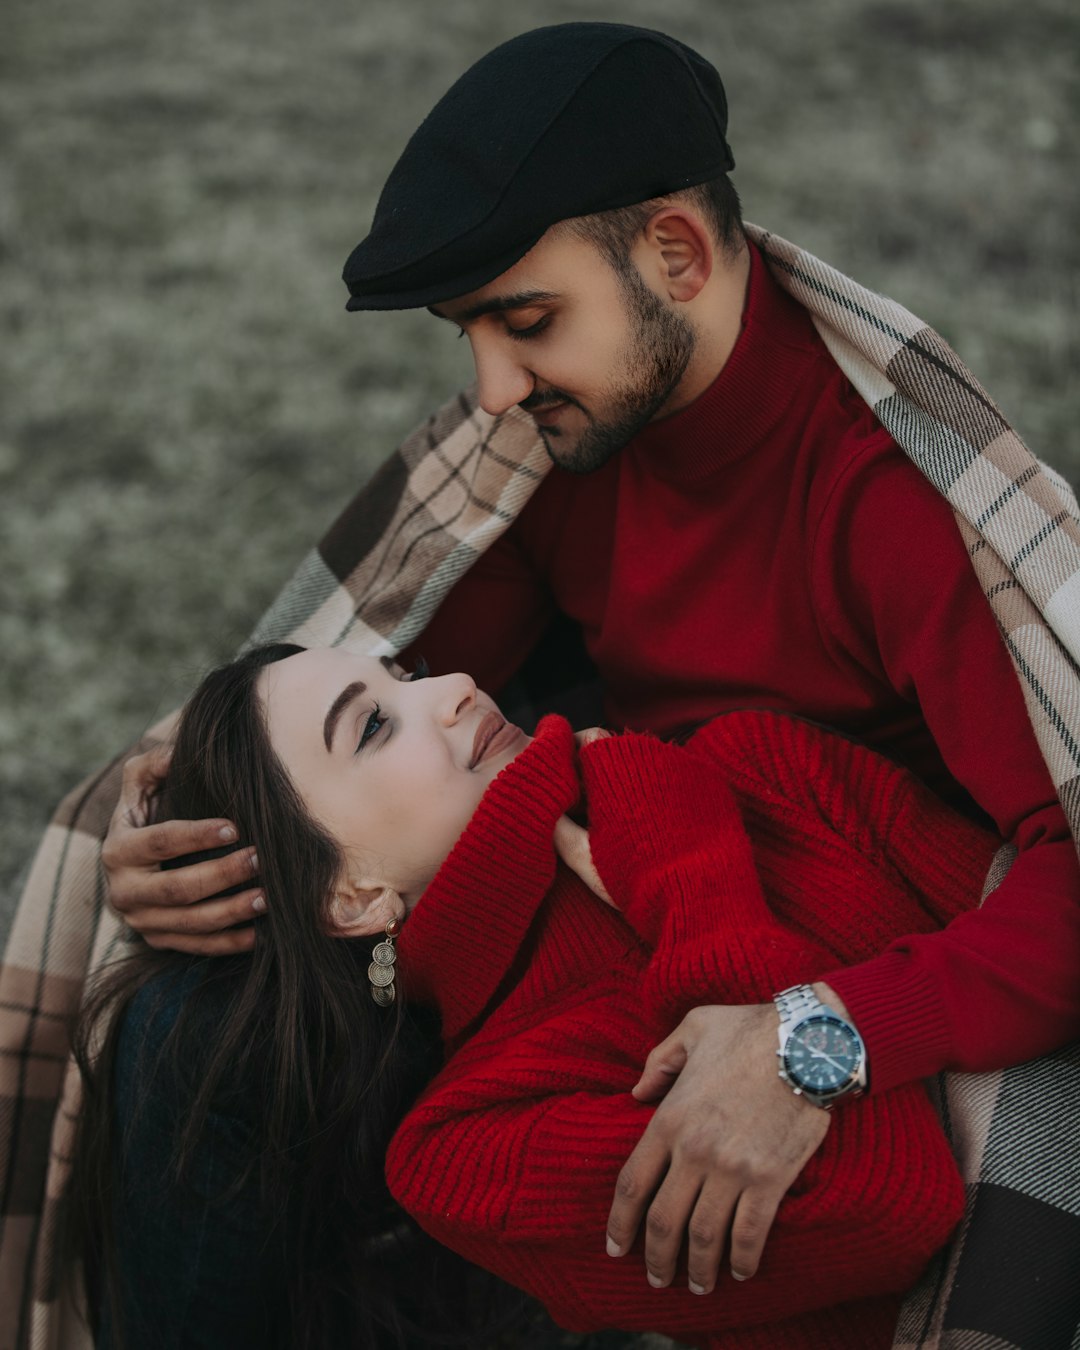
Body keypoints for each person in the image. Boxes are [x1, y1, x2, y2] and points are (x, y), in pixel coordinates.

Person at [99, 21, 1080, 1302]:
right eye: (471, 337)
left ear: (674, 252)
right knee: (186, 1022)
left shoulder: (883, 505)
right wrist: (212, 840)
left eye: (526, 321)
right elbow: (368, 702)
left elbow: (1064, 869)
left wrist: (816, 1039)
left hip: (819, 928)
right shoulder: (572, 448)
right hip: (581, 895)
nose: (496, 390)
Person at [73, 641, 1000, 1349]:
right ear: (350, 899)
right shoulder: (470, 1149)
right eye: (373, 725)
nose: (454, 689)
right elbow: (901, 1208)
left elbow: (1044, 938)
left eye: (410, 673)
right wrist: (687, 877)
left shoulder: (760, 764)